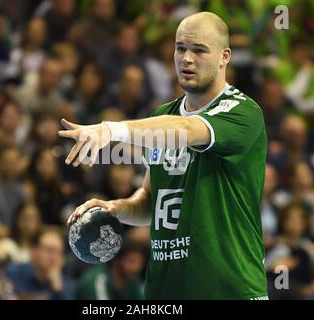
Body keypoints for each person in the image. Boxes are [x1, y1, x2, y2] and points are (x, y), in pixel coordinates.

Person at [60, 12, 268, 299]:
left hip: (231, 291)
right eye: (180, 48)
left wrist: (111, 129)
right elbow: (150, 198)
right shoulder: (162, 115)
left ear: (224, 56)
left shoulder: (243, 111)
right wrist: (117, 209)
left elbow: (186, 129)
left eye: (199, 50)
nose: (186, 59)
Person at [4, 227, 73, 300]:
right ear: (33, 251)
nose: (54, 257)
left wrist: (57, 288)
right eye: (50, 250)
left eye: (59, 253)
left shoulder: (66, 284)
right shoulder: (15, 272)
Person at [74, 239, 145, 300]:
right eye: (131, 261)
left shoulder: (133, 280)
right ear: (116, 260)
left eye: (140, 263)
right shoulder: (96, 280)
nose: (137, 267)